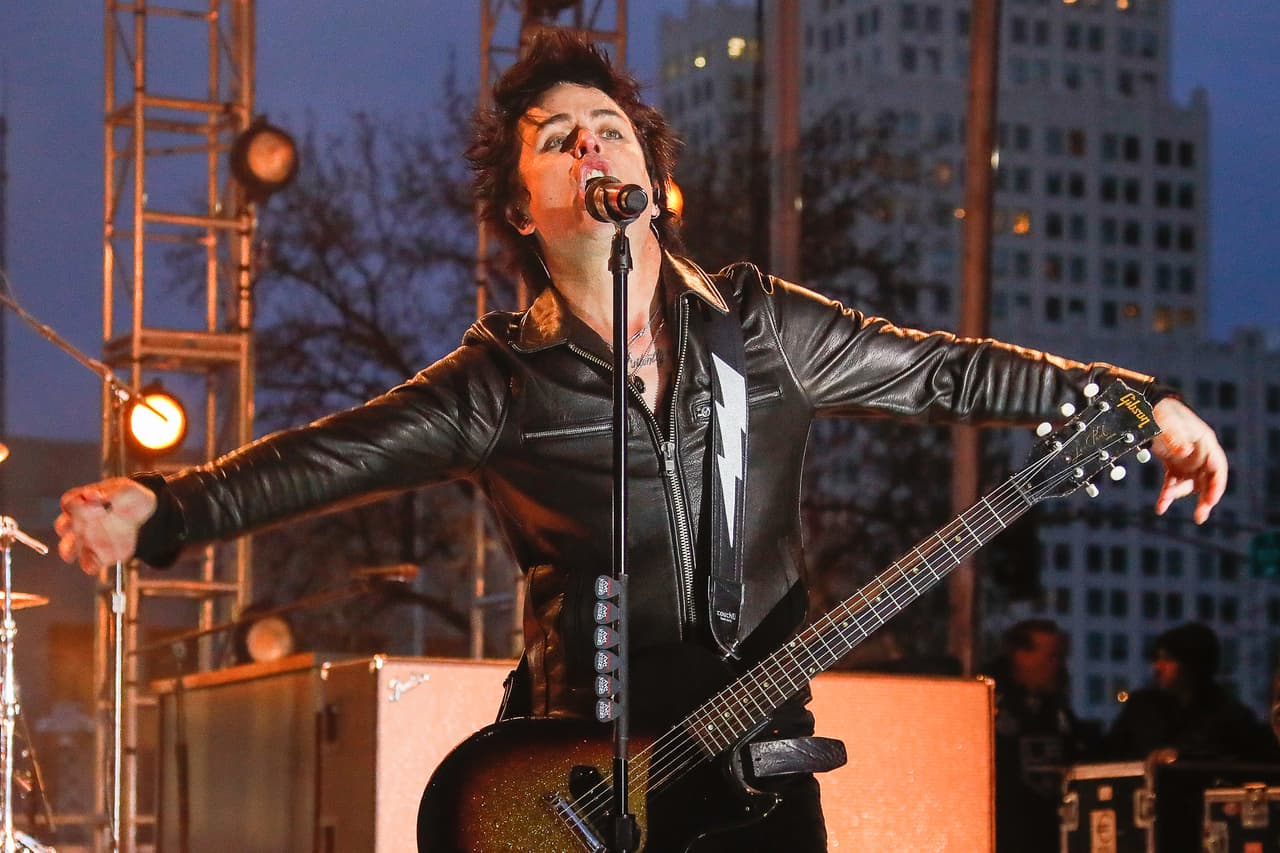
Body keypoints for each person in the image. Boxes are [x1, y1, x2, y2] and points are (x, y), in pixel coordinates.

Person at [56, 32, 1228, 851]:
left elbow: (945, 367)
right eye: (554, 138)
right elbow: (330, 454)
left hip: (759, 778)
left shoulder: (763, 328)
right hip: (575, 789)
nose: (588, 149)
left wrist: (1134, 397)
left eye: (606, 130)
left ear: (654, 179)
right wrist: (167, 509)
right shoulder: (499, 384)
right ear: (520, 207)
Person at [985, 619, 1090, 852]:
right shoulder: (986, 701)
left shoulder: (1057, 711)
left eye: (1060, 658)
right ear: (1021, 656)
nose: (1058, 666)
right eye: (1051, 657)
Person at [1104, 622, 1274, 762]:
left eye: (1168, 659)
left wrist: (1180, 757)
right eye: (1157, 658)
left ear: (1192, 664)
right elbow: (1109, 754)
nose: (1157, 667)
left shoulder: (1230, 715)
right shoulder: (1141, 707)